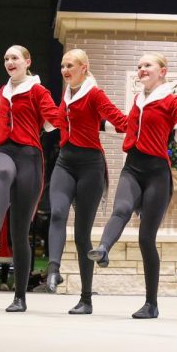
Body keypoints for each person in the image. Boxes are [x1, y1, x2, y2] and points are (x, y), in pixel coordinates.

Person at [88, 53, 177, 318]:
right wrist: (98, 123)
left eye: (147, 65)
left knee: (146, 239)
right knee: (121, 209)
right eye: (138, 66)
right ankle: (103, 249)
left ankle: (151, 304)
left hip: (157, 173)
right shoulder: (139, 100)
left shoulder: (170, 100)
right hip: (133, 167)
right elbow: (127, 125)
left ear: (162, 71)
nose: (141, 69)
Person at [0, 46, 58, 313]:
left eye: (14, 58)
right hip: (3, 151)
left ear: (27, 62)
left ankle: (20, 296)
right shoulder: (3, 91)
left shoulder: (38, 90)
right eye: (6, 58)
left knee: (20, 233)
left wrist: (74, 118)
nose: (9, 62)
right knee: (1, 172)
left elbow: (53, 119)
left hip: (30, 156)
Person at [47, 49, 127, 315]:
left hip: (91, 166)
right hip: (65, 161)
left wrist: (150, 122)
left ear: (84, 67)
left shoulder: (95, 94)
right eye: (62, 65)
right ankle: (53, 270)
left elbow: (119, 120)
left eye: (69, 65)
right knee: (57, 213)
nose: (64, 69)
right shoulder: (67, 93)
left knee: (82, 235)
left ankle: (86, 299)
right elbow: (59, 121)